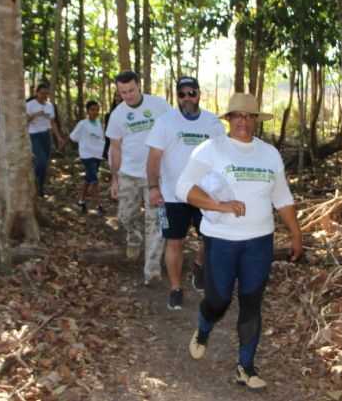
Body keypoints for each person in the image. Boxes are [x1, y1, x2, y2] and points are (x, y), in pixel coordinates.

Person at [176, 93, 303, 390]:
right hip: (221, 239)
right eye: (238, 116)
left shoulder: (269, 154)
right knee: (218, 299)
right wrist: (220, 206)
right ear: (229, 119)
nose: (243, 122)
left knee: (251, 302)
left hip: (259, 241)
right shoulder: (212, 149)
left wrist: (296, 233)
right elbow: (183, 188)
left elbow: (282, 197)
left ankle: (245, 367)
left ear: (256, 120)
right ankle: (204, 326)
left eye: (249, 117)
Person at [146, 76, 225, 310]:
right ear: (177, 96)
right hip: (173, 195)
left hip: (204, 194)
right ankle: (175, 289)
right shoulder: (165, 122)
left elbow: (222, 157)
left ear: (199, 94)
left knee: (209, 239)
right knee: (174, 242)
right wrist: (153, 187)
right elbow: (154, 158)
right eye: (182, 94)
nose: (187, 98)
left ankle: (199, 266)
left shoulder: (212, 123)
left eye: (192, 93)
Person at [106, 70, 170, 285]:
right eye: (123, 92)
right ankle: (134, 236)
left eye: (131, 90)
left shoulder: (159, 106)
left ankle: (151, 270)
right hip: (129, 175)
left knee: (157, 222)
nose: (128, 95)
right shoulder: (117, 114)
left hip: (157, 176)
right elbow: (115, 148)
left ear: (139, 85)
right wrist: (114, 179)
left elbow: (173, 134)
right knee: (124, 216)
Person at [26, 83, 65, 197]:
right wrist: (36, 114)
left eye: (46, 93)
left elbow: (52, 123)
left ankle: (40, 188)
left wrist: (58, 137)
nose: (44, 96)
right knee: (41, 161)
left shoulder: (50, 106)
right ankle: (32, 181)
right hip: (33, 135)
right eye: (42, 93)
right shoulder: (29, 105)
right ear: (36, 93)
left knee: (44, 163)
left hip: (46, 135)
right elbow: (23, 121)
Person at [69, 100, 105, 215]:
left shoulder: (99, 123)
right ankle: (99, 206)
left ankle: (81, 201)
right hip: (87, 155)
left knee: (88, 179)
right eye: (92, 110)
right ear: (87, 111)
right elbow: (73, 137)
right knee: (94, 180)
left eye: (97, 110)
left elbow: (101, 138)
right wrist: (84, 142)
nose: (95, 112)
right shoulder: (82, 124)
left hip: (97, 155)